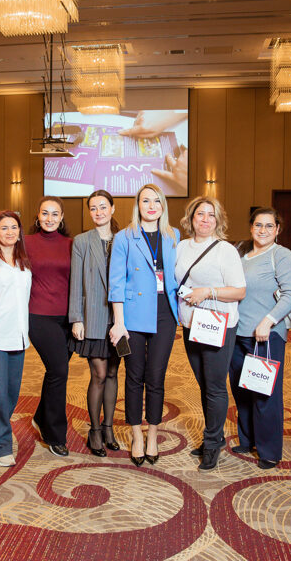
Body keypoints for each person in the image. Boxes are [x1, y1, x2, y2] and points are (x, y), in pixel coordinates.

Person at [109, 184, 180, 466]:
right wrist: (119, 322)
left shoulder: (173, 235)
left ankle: (153, 433)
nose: (151, 206)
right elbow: (116, 282)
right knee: (134, 376)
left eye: (157, 201)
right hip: (133, 314)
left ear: (163, 205)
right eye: (146, 201)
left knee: (156, 377)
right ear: (137, 205)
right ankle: (136, 434)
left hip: (165, 314)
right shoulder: (124, 237)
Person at [175, 196, 246, 472]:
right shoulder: (181, 247)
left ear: (218, 220)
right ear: (191, 218)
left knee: (215, 387)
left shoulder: (225, 250)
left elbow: (239, 291)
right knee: (204, 384)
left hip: (219, 326)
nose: (205, 219)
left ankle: (213, 442)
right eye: (200, 214)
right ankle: (212, 436)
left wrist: (207, 292)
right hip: (191, 324)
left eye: (211, 215)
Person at [229, 208, 291, 469]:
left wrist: (268, 321)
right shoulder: (241, 255)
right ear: (251, 227)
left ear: (277, 229)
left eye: (269, 226)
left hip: (266, 335)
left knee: (265, 394)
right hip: (237, 333)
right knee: (241, 389)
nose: (263, 230)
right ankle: (248, 439)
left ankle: (269, 450)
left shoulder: (281, 256)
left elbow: (290, 294)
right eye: (258, 225)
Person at [69, 190, 121, 456]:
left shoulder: (124, 239)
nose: (98, 212)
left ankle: (109, 427)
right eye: (93, 208)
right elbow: (76, 282)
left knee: (113, 373)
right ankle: (95, 430)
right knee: (99, 374)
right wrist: (76, 318)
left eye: (103, 207)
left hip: (119, 319)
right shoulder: (82, 241)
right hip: (93, 316)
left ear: (112, 209)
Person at [0, 210, 31, 467]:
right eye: (4, 228)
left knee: (11, 393)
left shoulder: (24, 261)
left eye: (14, 227)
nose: (10, 232)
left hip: (19, 336)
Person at [24, 196, 73, 457]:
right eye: (45, 213)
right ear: (38, 215)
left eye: (55, 214)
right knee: (59, 370)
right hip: (39, 316)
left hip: (68, 318)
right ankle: (55, 434)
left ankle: (41, 416)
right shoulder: (26, 242)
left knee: (56, 372)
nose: (50, 218)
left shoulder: (71, 243)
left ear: (62, 217)